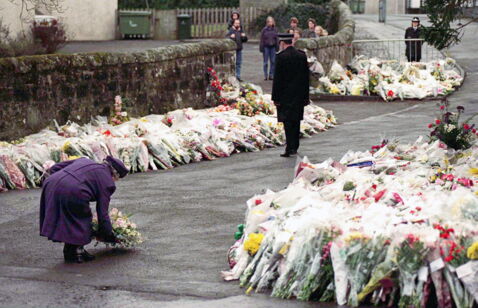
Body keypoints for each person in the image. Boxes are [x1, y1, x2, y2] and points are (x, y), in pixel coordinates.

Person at [40, 156, 129, 263]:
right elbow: (102, 212)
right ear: (115, 174)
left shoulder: (84, 160)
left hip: (51, 183)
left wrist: (61, 182)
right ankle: (76, 253)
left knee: (68, 216)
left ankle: (70, 251)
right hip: (73, 190)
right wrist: (107, 234)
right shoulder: (107, 182)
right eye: (117, 179)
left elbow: (55, 168)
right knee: (82, 217)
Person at [272, 33, 310, 158]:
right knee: (296, 120)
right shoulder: (301, 55)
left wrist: (275, 98)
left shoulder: (281, 57)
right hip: (299, 94)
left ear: (282, 43)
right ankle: (295, 145)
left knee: (287, 121)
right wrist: (306, 97)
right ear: (292, 42)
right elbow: (306, 78)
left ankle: (289, 147)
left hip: (285, 95)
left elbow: (277, 80)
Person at [260, 16, 279, 81]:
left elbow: (277, 39)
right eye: (269, 21)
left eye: (271, 21)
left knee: (273, 61)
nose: (270, 23)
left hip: (273, 47)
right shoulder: (264, 30)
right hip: (266, 47)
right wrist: (261, 48)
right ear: (267, 22)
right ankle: (265, 75)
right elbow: (262, 39)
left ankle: (271, 75)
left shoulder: (275, 29)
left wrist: (277, 47)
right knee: (265, 62)